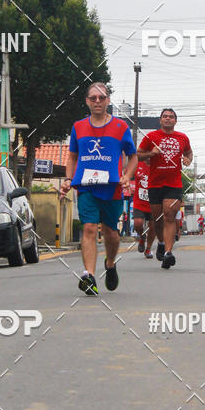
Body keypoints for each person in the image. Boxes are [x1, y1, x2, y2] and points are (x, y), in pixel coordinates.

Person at [60, 82, 137, 295]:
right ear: (87, 101)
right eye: (93, 98)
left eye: (101, 98)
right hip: (86, 186)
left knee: (110, 231)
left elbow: (133, 156)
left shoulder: (121, 127)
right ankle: (89, 276)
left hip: (112, 187)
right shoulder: (78, 127)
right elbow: (72, 157)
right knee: (90, 229)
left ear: (108, 101)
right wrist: (68, 179)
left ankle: (110, 263)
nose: (97, 101)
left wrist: (127, 176)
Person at [137, 108, 192, 269]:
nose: (168, 119)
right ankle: (160, 242)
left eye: (171, 117)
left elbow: (189, 153)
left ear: (175, 121)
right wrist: (151, 154)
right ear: (160, 120)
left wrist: (187, 160)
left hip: (174, 183)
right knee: (157, 219)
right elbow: (138, 154)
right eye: (165, 116)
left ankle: (168, 252)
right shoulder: (151, 137)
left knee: (169, 213)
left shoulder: (182, 138)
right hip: (155, 184)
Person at [132, 159, 156, 258]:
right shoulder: (138, 163)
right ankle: (142, 236)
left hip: (154, 202)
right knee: (138, 224)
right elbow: (129, 172)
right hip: (139, 202)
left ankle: (148, 249)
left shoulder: (157, 166)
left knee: (153, 226)